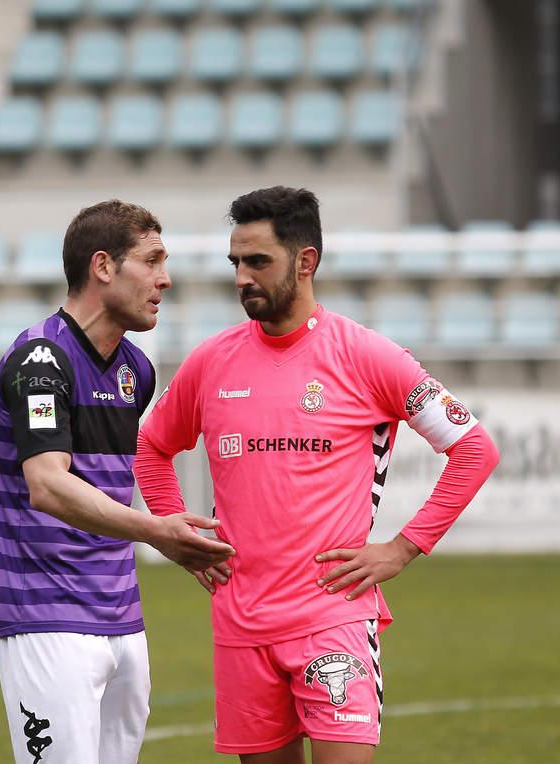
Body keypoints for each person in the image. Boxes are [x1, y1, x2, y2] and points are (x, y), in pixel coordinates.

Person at [133, 186, 499, 764]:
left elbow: (475, 450)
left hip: (335, 616)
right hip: (241, 623)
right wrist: (174, 533)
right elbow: (151, 448)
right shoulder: (210, 361)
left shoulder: (370, 356)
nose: (241, 278)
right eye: (235, 262)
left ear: (306, 262)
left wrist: (403, 549)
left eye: (258, 261)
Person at [0, 199, 235, 764]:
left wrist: (172, 527)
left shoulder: (136, 372)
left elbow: (143, 459)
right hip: (47, 620)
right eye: (151, 261)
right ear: (103, 266)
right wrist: (156, 531)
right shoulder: (40, 361)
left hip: (123, 622)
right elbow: (48, 485)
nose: (165, 279)